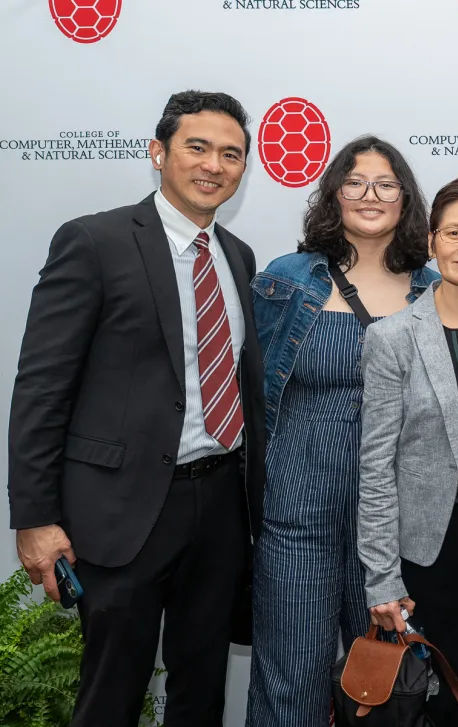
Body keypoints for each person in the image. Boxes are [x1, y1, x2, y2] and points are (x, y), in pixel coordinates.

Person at [7, 91, 266, 727]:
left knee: (201, 689)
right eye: (196, 147)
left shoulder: (237, 257)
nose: (214, 165)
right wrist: (35, 517)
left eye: (231, 154)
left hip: (219, 507)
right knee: (111, 695)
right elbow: (42, 388)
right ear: (159, 153)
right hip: (121, 512)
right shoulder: (94, 241)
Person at [245, 136, 439, 726]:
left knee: (379, 693)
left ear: (405, 200)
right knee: (290, 683)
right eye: (354, 182)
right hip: (296, 517)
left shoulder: (433, 292)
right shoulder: (286, 280)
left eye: (385, 184)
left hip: (390, 531)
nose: (369, 195)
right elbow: (246, 392)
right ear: (333, 195)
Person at [358, 175, 458, 726]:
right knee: (444, 701)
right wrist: (381, 577)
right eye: (454, 232)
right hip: (430, 544)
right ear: (431, 242)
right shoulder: (393, 337)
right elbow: (376, 467)